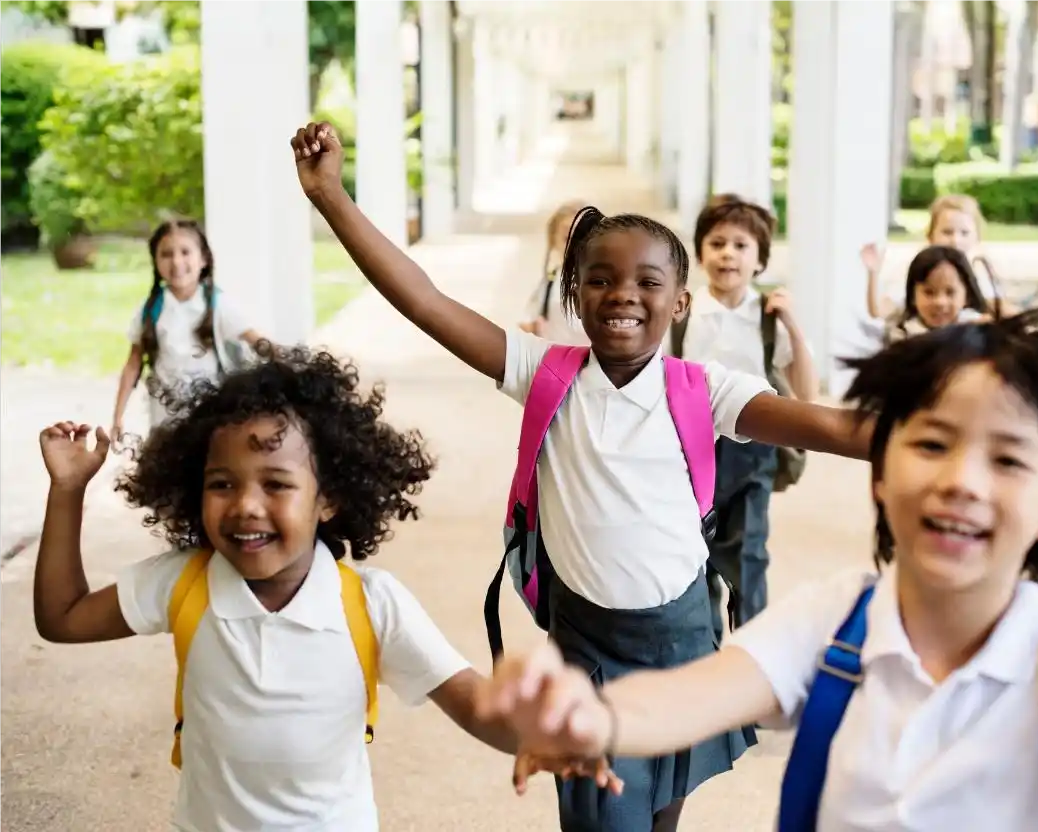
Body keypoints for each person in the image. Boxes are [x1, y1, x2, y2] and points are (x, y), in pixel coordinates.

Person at [289, 121, 871, 832]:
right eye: (600, 279)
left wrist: (952, 430)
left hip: (685, 639)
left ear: (679, 302)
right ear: (574, 292)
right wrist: (330, 198)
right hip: (589, 649)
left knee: (659, 815)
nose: (622, 294)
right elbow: (424, 301)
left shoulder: (704, 388)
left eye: (647, 282)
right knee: (605, 821)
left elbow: (834, 427)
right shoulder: (543, 373)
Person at [475, 287, 1038, 831]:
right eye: (934, 445)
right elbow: (693, 694)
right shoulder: (832, 622)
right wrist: (591, 717)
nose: (963, 481)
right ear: (880, 471)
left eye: (1006, 458)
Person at [34, 344, 617, 831]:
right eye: (221, 483)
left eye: (276, 483)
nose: (245, 505)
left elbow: (468, 699)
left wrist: (535, 735)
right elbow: (62, 618)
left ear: (329, 497)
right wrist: (67, 491)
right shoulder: (184, 583)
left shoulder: (369, 603)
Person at [670, 193, 818, 641]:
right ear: (700, 254)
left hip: (754, 451)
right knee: (696, 554)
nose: (727, 254)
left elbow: (806, 391)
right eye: (717, 244)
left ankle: (754, 652)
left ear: (760, 260)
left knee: (748, 553)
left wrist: (792, 323)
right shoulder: (683, 312)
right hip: (692, 451)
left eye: (740, 245)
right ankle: (706, 650)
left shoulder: (768, 318)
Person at [110, 219, 268, 439]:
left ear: (203, 258)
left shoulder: (218, 305)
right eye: (166, 254)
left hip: (210, 418)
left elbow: (258, 342)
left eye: (185, 252)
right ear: (155, 261)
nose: (176, 262)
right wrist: (117, 416)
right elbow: (133, 363)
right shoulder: (150, 310)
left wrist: (293, 363)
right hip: (165, 420)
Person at [862, 193, 1011, 320]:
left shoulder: (982, 276)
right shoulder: (919, 271)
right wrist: (873, 273)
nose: (955, 240)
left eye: (964, 233)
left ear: (977, 237)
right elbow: (879, 311)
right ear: (930, 235)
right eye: (947, 232)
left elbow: (1002, 312)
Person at [864, 245, 991, 347]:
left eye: (950, 292)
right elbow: (876, 311)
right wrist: (873, 273)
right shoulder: (905, 335)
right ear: (913, 296)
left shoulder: (974, 328)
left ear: (967, 297)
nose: (940, 302)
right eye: (929, 292)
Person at [520, 200, 589, 344]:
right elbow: (528, 321)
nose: (574, 245)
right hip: (557, 361)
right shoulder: (550, 282)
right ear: (554, 241)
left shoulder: (606, 282)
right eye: (566, 238)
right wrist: (534, 327)